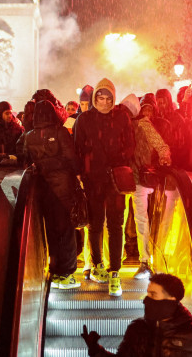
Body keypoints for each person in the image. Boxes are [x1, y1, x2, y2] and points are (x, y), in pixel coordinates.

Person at [73, 78, 135, 297]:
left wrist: (115, 160)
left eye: (108, 98)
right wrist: (83, 172)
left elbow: (130, 146)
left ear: (113, 99)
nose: (104, 102)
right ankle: (98, 264)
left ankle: (115, 270)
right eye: (101, 97)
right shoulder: (84, 120)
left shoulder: (121, 118)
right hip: (93, 180)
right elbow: (78, 149)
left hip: (115, 180)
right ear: (94, 98)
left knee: (115, 225)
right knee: (95, 223)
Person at [81, 273, 192, 356]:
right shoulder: (136, 329)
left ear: (171, 300)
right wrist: (96, 350)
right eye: (147, 294)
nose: (146, 300)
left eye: (153, 295)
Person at [23, 100, 80, 289]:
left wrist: (41, 165)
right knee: (66, 230)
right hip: (63, 188)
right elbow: (71, 159)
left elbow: (24, 158)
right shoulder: (60, 132)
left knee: (51, 231)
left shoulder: (29, 135)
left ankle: (55, 270)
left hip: (42, 189)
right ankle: (67, 273)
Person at [128, 95, 172, 279]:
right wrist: (163, 158)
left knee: (136, 221)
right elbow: (162, 147)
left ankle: (143, 260)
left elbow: (162, 147)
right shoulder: (136, 125)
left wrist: (163, 157)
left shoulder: (138, 125)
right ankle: (144, 260)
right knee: (139, 220)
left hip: (134, 179)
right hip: (132, 178)